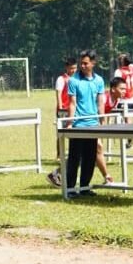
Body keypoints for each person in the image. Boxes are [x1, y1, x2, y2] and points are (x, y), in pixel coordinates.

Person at [64, 50, 106, 198]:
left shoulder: (99, 80)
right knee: (75, 158)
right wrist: (69, 123)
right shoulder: (74, 80)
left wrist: (102, 122)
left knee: (90, 157)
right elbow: (72, 103)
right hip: (79, 126)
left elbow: (101, 102)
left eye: (86, 63)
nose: (82, 65)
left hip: (93, 124)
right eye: (81, 63)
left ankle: (84, 188)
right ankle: (70, 189)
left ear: (93, 63)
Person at [47, 58, 76, 187]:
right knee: (60, 134)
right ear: (66, 68)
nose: (73, 70)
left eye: (75, 68)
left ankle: (67, 156)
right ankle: (59, 154)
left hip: (73, 110)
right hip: (63, 110)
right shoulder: (61, 79)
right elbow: (58, 94)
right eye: (71, 68)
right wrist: (60, 108)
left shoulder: (76, 79)